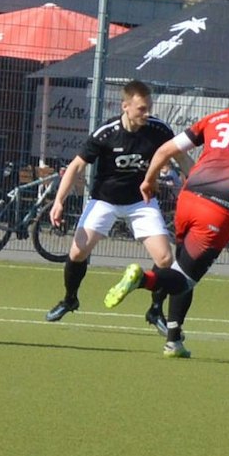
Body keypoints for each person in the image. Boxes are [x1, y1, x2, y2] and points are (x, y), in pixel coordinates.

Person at [111, 72, 229, 357]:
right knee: (184, 279)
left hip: (189, 198)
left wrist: (148, 180)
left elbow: (166, 149)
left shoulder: (217, 118)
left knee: (181, 268)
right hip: (219, 209)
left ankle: (173, 339)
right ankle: (141, 279)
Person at [44, 80, 178, 330]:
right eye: (141, 109)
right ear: (125, 106)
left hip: (142, 202)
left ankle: (155, 309)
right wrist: (58, 202)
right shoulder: (106, 132)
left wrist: (199, 184)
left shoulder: (158, 130)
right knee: (77, 253)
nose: (147, 114)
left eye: (149, 108)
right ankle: (70, 299)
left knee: (165, 258)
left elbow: (182, 156)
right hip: (104, 200)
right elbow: (76, 166)